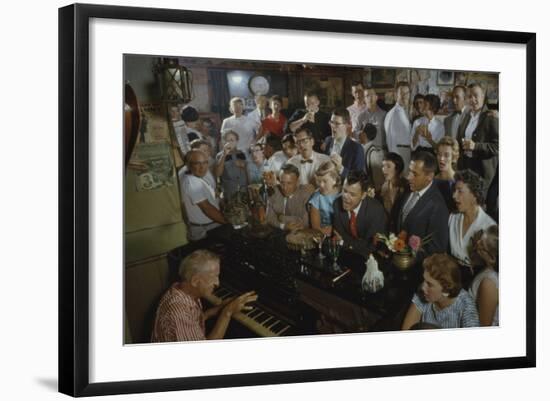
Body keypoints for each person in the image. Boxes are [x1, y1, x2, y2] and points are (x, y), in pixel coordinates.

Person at [151, 250, 258, 342]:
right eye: (214, 277)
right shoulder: (179, 313)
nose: (217, 283)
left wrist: (219, 308)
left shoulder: (179, 290)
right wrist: (227, 312)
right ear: (195, 281)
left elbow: (195, 318)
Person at [391, 151, 449, 261]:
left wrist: (407, 257)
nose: (409, 177)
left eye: (415, 174)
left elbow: (437, 249)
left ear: (429, 176)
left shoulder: (438, 206)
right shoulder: (408, 189)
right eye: (409, 172)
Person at [401, 253, 480, 329]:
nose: (423, 287)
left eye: (429, 284)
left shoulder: (466, 305)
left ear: (446, 290)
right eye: (424, 280)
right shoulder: (423, 294)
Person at [448, 169, 496, 270]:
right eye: (454, 191)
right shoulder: (453, 217)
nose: (454, 196)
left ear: (474, 195)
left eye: (460, 191)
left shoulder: (489, 226)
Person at [456, 83, 499, 195]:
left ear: (483, 96)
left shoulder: (491, 117)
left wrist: (475, 146)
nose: (473, 99)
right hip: (466, 167)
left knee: (478, 204)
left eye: (476, 95)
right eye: (469, 96)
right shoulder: (466, 116)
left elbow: (498, 147)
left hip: (482, 171)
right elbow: (459, 140)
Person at [332, 170, 386, 258]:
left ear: (363, 195)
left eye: (352, 194)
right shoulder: (336, 204)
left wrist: (344, 242)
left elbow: (372, 247)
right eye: (344, 191)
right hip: (345, 255)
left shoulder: (376, 210)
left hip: (370, 260)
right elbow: (339, 234)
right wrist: (359, 243)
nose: (345, 197)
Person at [179, 150, 226, 241]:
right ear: (189, 164)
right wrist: (227, 222)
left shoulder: (184, 171)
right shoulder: (192, 182)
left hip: (201, 226)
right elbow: (207, 208)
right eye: (197, 163)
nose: (202, 168)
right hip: (205, 229)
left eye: (205, 163)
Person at [265, 164, 314, 231]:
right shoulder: (273, 192)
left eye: (289, 183)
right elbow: (269, 218)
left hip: (300, 235)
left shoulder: (306, 195)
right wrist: (284, 226)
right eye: (282, 183)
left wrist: (281, 217)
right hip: (277, 232)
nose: (285, 188)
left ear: (297, 182)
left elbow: (305, 224)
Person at [468, 225, 499, 326]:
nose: (477, 243)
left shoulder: (489, 283)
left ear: (491, 258)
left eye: (482, 245)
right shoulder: (487, 271)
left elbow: (484, 325)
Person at [323, 108, 365, 179]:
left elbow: (358, 179)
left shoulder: (356, 148)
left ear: (347, 125)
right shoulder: (328, 141)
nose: (332, 126)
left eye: (337, 123)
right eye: (331, 122)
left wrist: (341, 169)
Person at [384, 81, 412, 173]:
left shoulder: (404, 112)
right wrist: (395, 162)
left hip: (406, 152)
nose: (404, 96)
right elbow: (390, 140)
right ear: (396, 95)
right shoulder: (393, 114)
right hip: (399, 154)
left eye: (407, 93)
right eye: (402, 93)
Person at [309, 161, 341, 236]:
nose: (321, 185)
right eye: (319, 181)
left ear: (334, 180)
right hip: (322, 235)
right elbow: (315, 227)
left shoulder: (343, 195)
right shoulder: (317, 197)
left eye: (325, 181)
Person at [215, 130, 248, 202]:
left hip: (244, 190)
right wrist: (224, 155)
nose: (229, 143)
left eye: (232, 140)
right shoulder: (220, 156)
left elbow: (249, 172)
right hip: (230, 192)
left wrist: (245, 166)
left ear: (237, 141)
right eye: (227, 140)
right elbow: (218, 173)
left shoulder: (243, 154)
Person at [434, 136, 460, 211]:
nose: (441, 159)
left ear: (454, 157)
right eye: (439, 154)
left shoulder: (458, 183)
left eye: (446, 155)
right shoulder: (432, 181)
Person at [379, 152, 408, 219]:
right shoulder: (382, 189)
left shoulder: (407, 187)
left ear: (397, 168)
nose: (384, 170)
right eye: (383, 166)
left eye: (388, 166)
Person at [361, 123, 385, 192]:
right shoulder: (362, 148)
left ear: (364, 134)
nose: (359, 133)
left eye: (361, 131)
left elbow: (377, 178)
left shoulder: (373, 153)